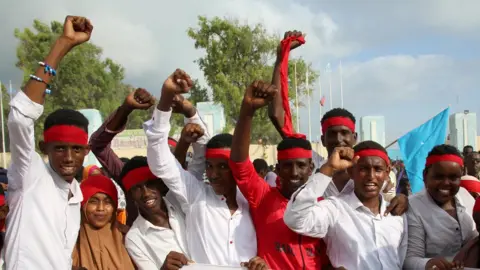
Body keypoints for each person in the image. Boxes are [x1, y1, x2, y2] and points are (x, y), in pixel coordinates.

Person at [145, 69, 265, 269]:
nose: (213, 174)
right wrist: (167, 98)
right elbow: (160, 161)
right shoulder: (196, 196)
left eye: (222, 167)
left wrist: (262, 263)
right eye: (209, 166)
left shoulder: (253, 202)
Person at [4, 16, 92, 269]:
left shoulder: (76, 194)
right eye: (59, 148)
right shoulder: (30, 174)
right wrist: (62, 44)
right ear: (44, 149)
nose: (68, 157)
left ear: (86, 151)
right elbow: (20, 118)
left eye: (76, 149)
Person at [229, 80, 328, 269]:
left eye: (301, 165)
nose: (294, 173)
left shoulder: (323, 205)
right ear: (277, 168)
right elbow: (239, 164)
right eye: (287, 166)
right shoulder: (263, 197)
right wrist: (247, 110)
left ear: (311, 168)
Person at [89, 88, 204, 226]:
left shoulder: (186, 186)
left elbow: (177, 167)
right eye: (160, 153)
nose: (145, 192)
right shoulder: (133, 173)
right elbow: (97, 145)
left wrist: (189, 114)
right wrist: (126, 109)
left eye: (168, 154)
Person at [284, 141, 408, 269]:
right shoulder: (335, 209)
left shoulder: (397, 213)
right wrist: (329, 168)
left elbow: (404, 260)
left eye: (378, 169)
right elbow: (296, 218)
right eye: (363, 169)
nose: (371, 176)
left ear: (387, 172)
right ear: (351, 172)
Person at [404, 144, 478, 269]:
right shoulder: (413, 207)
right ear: (425, 175)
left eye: (453, 177)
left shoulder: (465, 196)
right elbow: (410, 259)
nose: (446, 183)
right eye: (438, 177)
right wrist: (428, 264)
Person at [121, 156, 190, 270]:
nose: (146, 193)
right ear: (130, 195)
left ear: (160, 184)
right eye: (137, 188)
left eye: (149, 184)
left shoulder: (182, 205)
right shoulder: (135, 238)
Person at [72, 174, 135, 270]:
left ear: (115, 206)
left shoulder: (129, 237)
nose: (101, 208)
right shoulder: (68, 239)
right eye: (93, 201)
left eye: (108, 202)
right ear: (83, 204)